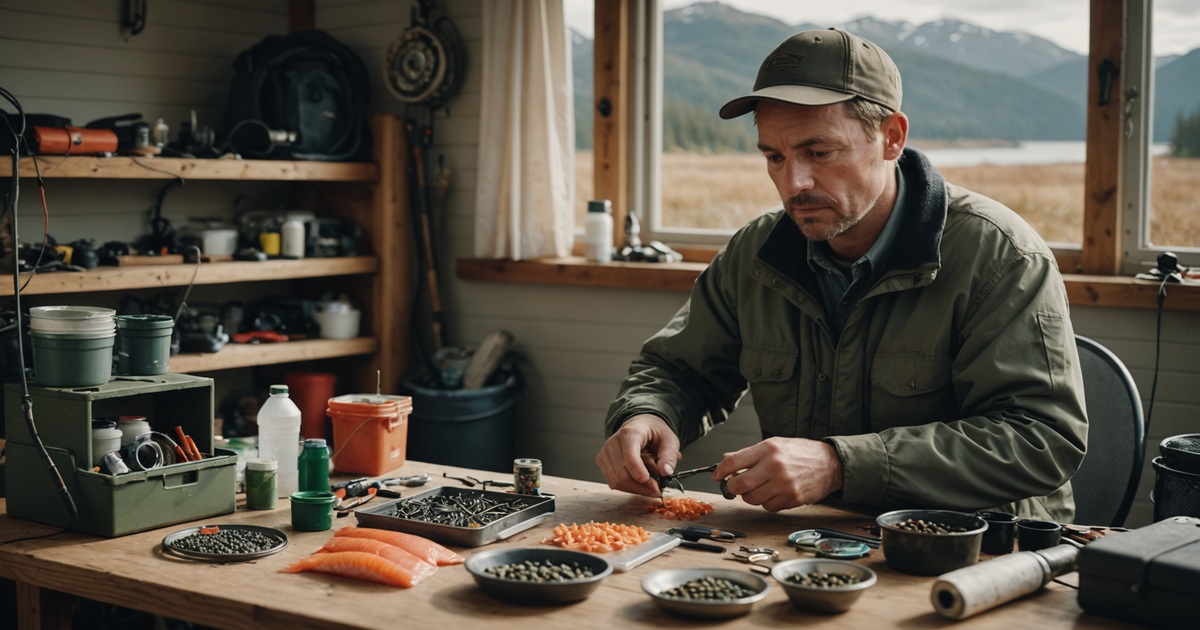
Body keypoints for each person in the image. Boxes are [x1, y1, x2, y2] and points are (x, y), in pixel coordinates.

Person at [595, 29, 1088, 521]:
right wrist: (647, 414)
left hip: (986, 551)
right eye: (774, 156)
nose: (793, 184)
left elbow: (1042, 438)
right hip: (813, 539)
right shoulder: (755, 252)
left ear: (891, 138)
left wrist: (839, 464)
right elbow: (679, 371)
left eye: (820, 152)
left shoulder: (1001, 255)